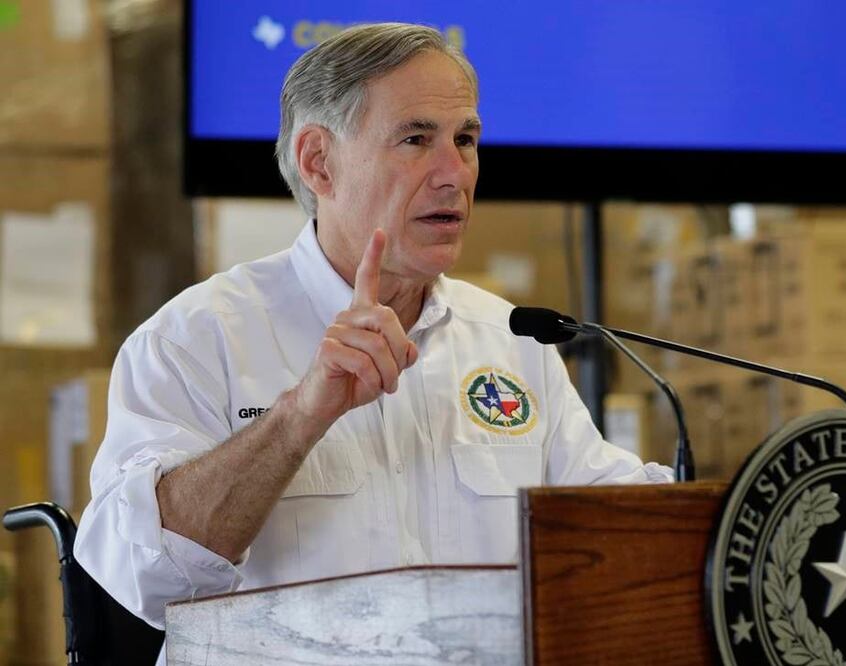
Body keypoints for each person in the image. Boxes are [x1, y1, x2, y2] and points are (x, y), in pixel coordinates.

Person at [73, 21, 670, 655]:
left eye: (465, 140)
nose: (454, 174)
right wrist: (299, 418)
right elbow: (144, 576)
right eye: (416, 139)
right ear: (318, 162)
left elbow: (616, 526)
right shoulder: (196, 337)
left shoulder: (512, 338)